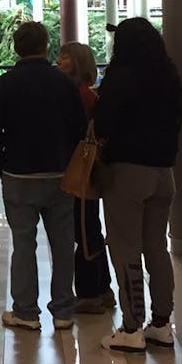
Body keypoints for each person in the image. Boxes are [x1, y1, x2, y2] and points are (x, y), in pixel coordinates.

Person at [0, 23, 88, 331]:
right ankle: (64, 310)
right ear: (46, 46)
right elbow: (80, 129)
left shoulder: (5, 84)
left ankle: (26, 311)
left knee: (24, 242)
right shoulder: (64, 84)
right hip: (59, 173)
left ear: (16, 48)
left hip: (19, 174)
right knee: (62, 243)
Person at [94, 18, 182, 353]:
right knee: (157, 248)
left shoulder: (121, 77)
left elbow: (103, 121)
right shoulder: (169, 75)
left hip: (128, 173)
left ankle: (131, 326)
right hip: (163, 172)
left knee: (125, 248)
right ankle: (161, 323)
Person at [57, 41, 114, 314]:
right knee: (90, 226)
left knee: (84, 228)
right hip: (89, 168)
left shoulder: (78, 95)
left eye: (65, 57)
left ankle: (90, 291)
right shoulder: (89, 94)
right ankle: (103, 288)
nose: (59, 60)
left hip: (79, 168)